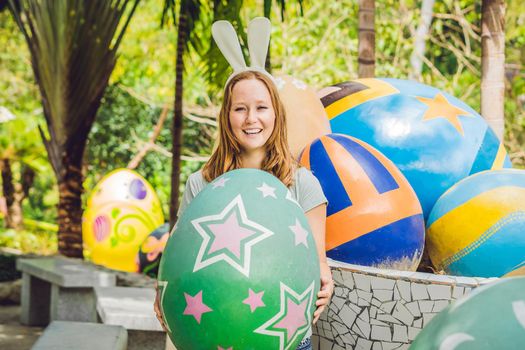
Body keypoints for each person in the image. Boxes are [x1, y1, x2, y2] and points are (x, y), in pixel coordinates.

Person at [155, 18, 333, 350]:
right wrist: (164, 292)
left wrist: (325, 284)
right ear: (227, 116)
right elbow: (180, 256)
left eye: (261, 108)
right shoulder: (202, 184)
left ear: (276, 114)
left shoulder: (303, 185)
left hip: (284, 340)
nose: (251, 119)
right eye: (240, 109)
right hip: (210, 335)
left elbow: (316, 264)